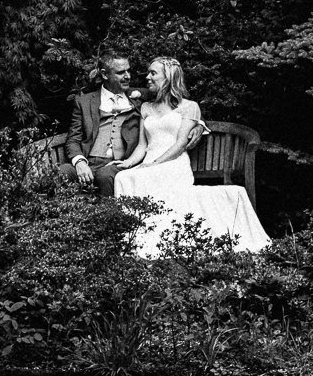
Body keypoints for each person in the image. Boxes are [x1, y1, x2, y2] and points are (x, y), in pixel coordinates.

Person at [111, 57, 270, 255]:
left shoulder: (189, 106)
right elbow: (143, 146)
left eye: (153, 73)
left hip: (173, 164)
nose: (147, 77)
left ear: (168, 78)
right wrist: (128, 163)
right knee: (123, 177)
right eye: (148, 73)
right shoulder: (146, 107)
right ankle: (132, 238)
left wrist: (155, 164)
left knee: (142, 176)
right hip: (150, 163)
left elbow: (180, 144)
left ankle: (151, 241)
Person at [63, 53, 143, 197]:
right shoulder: (84, 101)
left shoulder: (140, 98)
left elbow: (174, 100)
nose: (127, 76)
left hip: (119, 164)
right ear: (105, 75)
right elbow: (73, 139)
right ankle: (59, 217)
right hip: (89, 160)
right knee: (63, 172)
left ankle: (109, 217)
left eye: (128, 70)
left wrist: (198, 124)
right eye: (120, 72)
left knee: (105, 176)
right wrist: (80, 162)